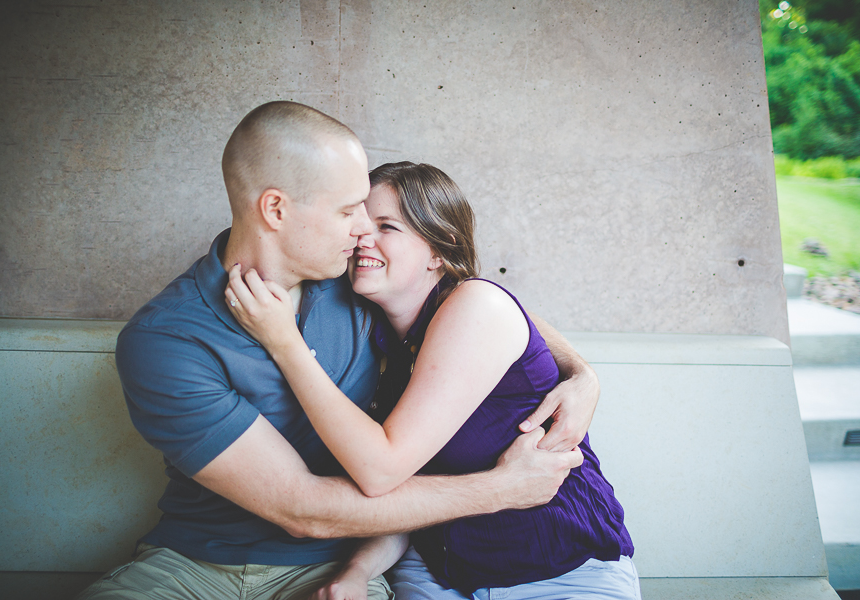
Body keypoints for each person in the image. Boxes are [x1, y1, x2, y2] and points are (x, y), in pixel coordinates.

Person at [77, 102, 600, 600]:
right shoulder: (164, 338)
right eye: (349, 211)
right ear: (275, 209)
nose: (362, 232)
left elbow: (481, 306)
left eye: (375, 221)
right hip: (194, 561)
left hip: (343, 560)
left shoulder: (360, 282)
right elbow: (302, 509)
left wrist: (581, 372)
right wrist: (500, 489)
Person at [225, 161, 638, 600]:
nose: (363, 235)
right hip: (440, 573)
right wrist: (356, 573)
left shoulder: (477, 305)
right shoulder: (383, 340)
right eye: (359, 221)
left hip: (558, 570)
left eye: (388, 226)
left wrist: (283, 341)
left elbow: (380, 472)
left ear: (440, 251)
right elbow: (415, 496)